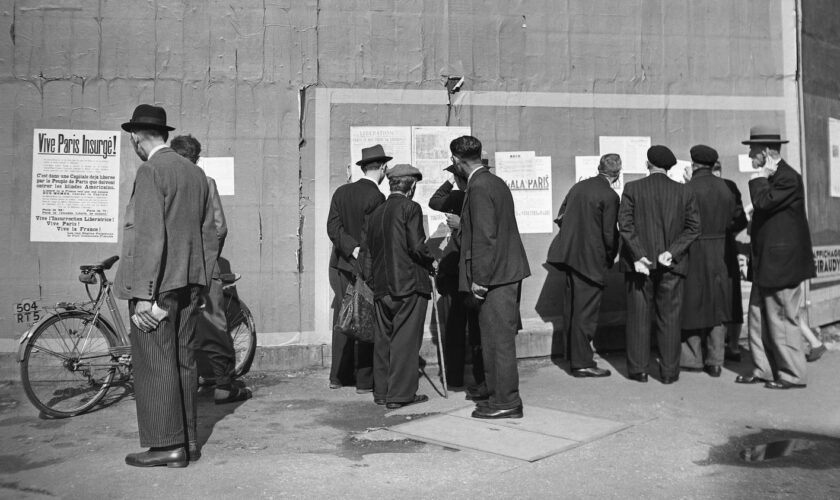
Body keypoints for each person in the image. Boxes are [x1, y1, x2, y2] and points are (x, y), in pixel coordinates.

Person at [116, 105, 217, 467]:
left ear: (136, 137)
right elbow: (208, 234)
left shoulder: (151, 171)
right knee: (184, 362)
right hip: (189, 286)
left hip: (157, 288)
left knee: (155, 364)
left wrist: (145, 296)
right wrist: (202, 286)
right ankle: (188, 442)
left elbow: (148, 237)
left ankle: (166, 447)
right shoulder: (194, 173)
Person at [451, 136, 531, 419]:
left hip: (495, 276)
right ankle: (499, 396)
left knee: (498, 342)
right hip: (504, 272)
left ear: (456, 162)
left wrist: (480, 280)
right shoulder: (492, 182)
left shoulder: (480, 186)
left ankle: (506, 402)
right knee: (495, 340)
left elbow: (485, 237)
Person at [170, 134, 251, 405]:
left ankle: (182, 386)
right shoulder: (205, 182)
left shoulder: (162, 180)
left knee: (177, 326)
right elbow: (219, 227)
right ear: (197, 158)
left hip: (170, 271)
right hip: (203, 269)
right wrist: (206, 259)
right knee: (214, 326)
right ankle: (223, 386)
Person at [735, 126, 816, 389]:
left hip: (783, 264)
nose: (749, 155)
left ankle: (792, 374)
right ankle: (764, 370)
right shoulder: (775, 177)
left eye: (753, 150)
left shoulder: (787, 178)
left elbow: (764, 203)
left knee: (781, 318)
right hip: (766, 262)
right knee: (757, 316)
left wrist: (760, 176)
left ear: (767, 152)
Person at [618, 145, 700, 384]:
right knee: (670, 319)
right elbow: (694, 228)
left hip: (639, 265)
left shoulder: (632, 188)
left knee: (638, 317)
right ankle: (668, 372)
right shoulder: (684, 192)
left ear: (647, 164)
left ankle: (639, 370)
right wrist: (672, 252)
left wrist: (640, 254)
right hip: (672, 265)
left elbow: (626, 225)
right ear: (670, 167)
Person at [362, 164, 435, 409]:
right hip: (409, 284)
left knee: (384, 340)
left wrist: (372, 282)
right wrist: (431, 260)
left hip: (382, 286)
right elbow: (416, 246)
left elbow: (367, 254)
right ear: (412, 186)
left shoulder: (376, 212)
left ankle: (382, 391)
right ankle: (400, 395)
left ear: (392, 184)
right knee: (405, 339)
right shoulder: (410, 208)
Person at [546, 153, 622, 378]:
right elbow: (610, 234)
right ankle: (582, 363)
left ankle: (572, 355)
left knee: (572, 309)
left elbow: (561, 217)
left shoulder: (578, 187)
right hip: (591, 261)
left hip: (570, 258)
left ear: (599, 168)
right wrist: (610, 257)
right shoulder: (610, 195)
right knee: (585, 313)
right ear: (617, 174)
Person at [680, 146, 747, 377]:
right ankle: (716, 360)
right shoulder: (727, 188)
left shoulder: (687, 189)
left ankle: (692, 357)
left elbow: (679, 224)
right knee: (719, 304)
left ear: (693, 164)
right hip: (722, 250)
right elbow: (740, 221)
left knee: (693, 302)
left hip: (694, 249)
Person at [326, 144, 388, 392]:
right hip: (365, 266)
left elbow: (333, 228)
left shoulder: (341, 192)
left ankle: (338, 376)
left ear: (363, 167)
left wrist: (349, 247)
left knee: (343, 317)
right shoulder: (377, 197)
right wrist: (359, 250)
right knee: (364, 318)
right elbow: (373, 234)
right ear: (383, 168)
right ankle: (364, 381)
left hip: (341, 265)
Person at [428, 164, 486, 399]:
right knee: (474, 329)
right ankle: (480, 378)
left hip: (457, 274)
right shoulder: (476, 196)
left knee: (455, 329)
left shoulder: (458, 197)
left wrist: (449, 182)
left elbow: (434, 200)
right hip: (470, 275)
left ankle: (454, 378)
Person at [711, 161, 749, 362]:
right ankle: (733, 346)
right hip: (727, 245)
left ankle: (714, 346)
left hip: (707, 249)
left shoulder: (699, 186)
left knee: (712, 297)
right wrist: (728, 229)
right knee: (733, 299)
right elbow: (741, 219)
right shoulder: (730, 186)